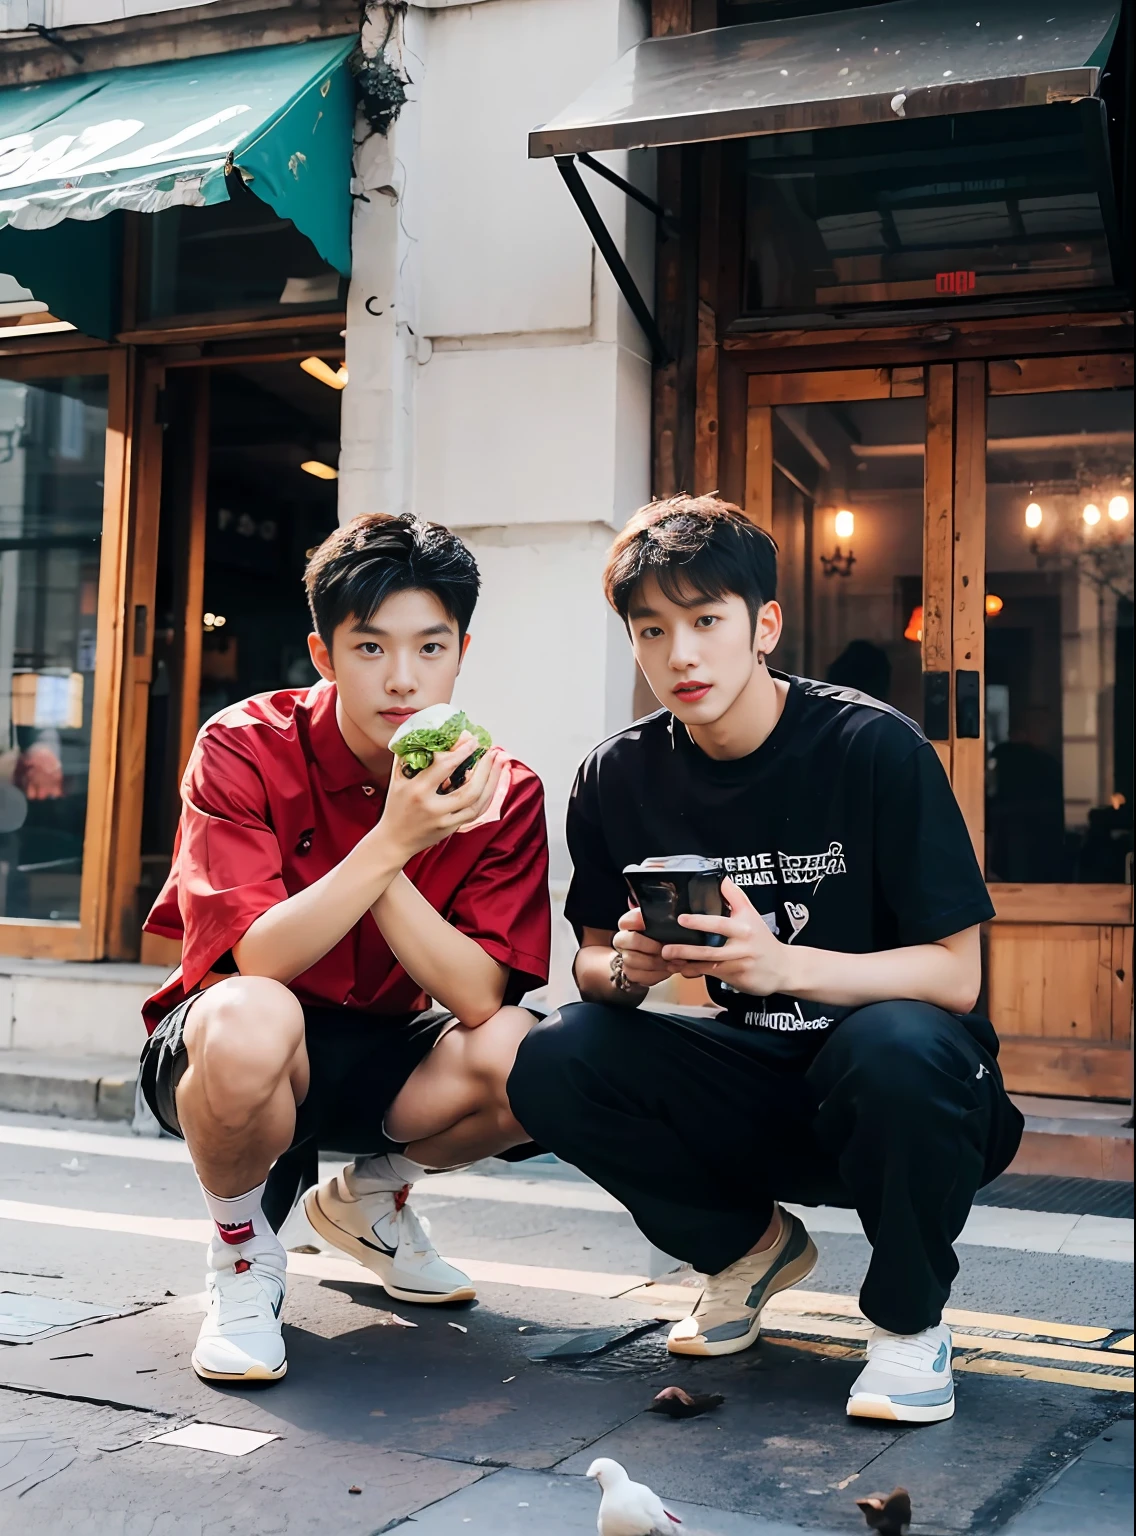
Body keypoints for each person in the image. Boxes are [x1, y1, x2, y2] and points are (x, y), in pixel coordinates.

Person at [508, 495, 1023, 1426]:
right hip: (753, 1088)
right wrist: (632, 969)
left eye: (707, 621)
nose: (681, 655)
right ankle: (747, 1248)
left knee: (898, 1043)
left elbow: (956, 977)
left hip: (913, 1102)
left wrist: (783, 966)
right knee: (553, 1053)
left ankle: (909, 1324)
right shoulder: (617, 775)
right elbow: (584, 967)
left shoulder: (872, 747)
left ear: (764, 627)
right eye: (652, 629)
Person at [139, 513, 550, 1384]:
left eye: (430, 648)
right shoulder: (242, 745)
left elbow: (478, 997)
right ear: (325, 654)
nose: (403, 679)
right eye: (371, 648)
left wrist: (397, 838)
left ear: (462, 651)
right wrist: (392, 837)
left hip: (383, 1053)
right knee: (256, 1015)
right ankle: (243, 1259)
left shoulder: (501, 786)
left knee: (529, 1051)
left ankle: (368, 1198)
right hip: (234, 1051)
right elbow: (256, 962)